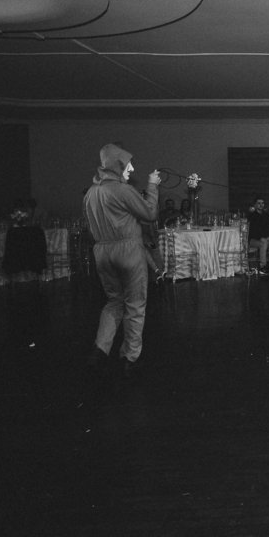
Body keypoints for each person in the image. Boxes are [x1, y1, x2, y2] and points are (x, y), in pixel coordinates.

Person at [83, 144, 160, 376]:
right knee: (135, 304)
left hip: (102, 252)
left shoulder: (91, 193)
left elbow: (90, 229)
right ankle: (130, 358)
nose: (132, 169)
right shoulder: (123, 190)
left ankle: (99, 350)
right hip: (128, 250)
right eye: (128, 164)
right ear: (117, 165)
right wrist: (152, 187)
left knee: (114, 302)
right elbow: (149, 214)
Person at [247, 196, 269, 274]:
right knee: (264, 243)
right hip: (254, 239)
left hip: (266, 239)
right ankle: (262, 266)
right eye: (259, 203)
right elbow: (253, 230)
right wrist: (261, 237)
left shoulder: (266, 215)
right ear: (255, 205)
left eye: (262, 203)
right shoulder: (252, 216)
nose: (261, 205)